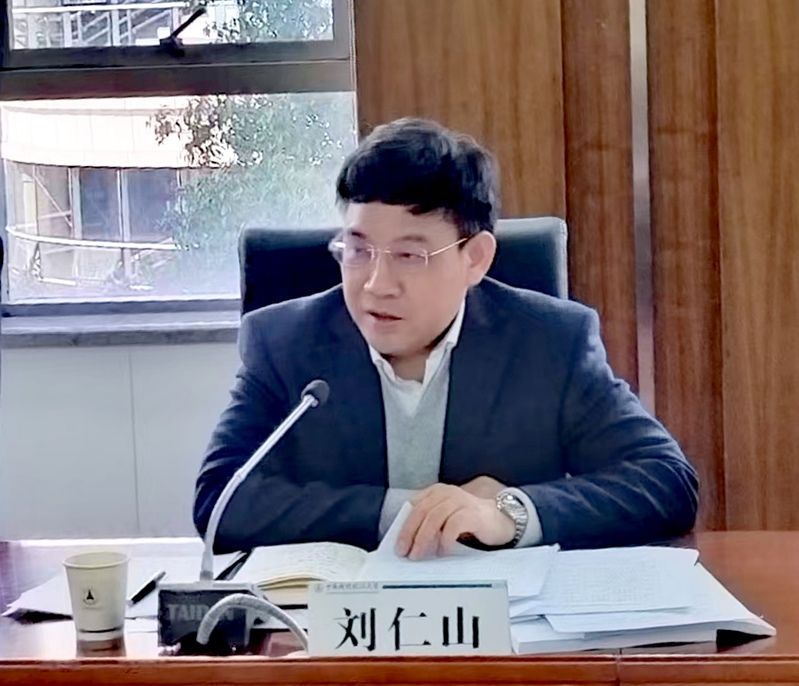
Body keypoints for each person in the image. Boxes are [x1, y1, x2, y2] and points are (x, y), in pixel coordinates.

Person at [194, 117, 698, 558]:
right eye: (359, 250)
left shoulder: (551, 342)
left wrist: (509, 514)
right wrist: (408, 512)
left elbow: (665, 480)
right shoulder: (283, 342)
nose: (376, 285)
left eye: (409, 256)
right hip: (334, 629)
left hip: (506, 629)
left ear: (475, 258)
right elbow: (220, 500)